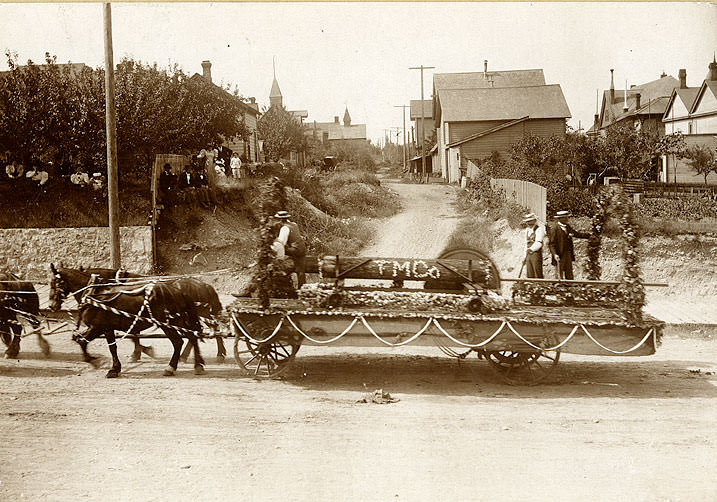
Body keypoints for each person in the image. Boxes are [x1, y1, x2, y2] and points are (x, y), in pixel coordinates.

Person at [548, 210, 590, 280]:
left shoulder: (567, 227)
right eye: (564, 218)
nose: (567, 219)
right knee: (559, 274)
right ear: (560, 219)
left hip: (568, 253)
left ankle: (570, 287)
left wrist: (589, 236)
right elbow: (551, 244)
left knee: (569, 272)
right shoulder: (554, 229)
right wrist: (555, 254)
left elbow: (577, 234)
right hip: (559, 254)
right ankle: (558, 288)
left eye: (567, 217)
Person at [273, 210, 307, 287]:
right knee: (301, 270)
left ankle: (280, 281)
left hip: (295, 250)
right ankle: (303, 288)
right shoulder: (294, 224)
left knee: (278, 257)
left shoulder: (284, 228)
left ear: (280, 220)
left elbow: (282, 243)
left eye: (277, 220)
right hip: (302, 249)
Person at [522, 213, 545, 279]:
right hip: (528, 254)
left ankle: (539, 287)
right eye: (527, 221)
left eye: (530, 221)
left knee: (537, 272)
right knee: (530, 273)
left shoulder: (539, 229)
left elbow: (539, 242)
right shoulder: (527, 230)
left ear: (534, 221)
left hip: (536, 253)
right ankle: (530, 287)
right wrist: (524, 257)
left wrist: (531, 249)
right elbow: (525, 244)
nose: (528, 223)